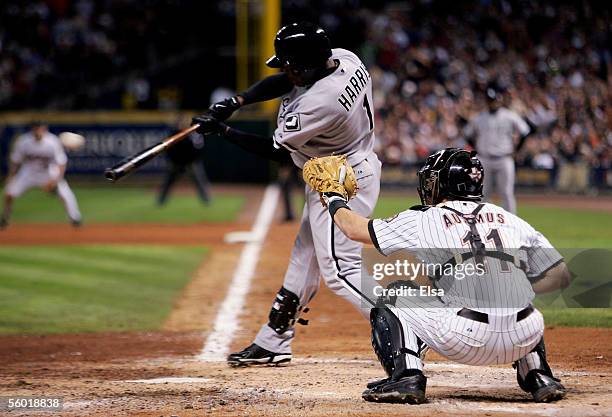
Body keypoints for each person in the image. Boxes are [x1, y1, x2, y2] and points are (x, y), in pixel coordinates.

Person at [307, 148, 569, 403]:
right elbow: (560, 275)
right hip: (525, 336)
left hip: (465, 339)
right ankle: (538, 374)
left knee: (395, 295)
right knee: (518, 296)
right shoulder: (508, 218)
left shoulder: (424, 218)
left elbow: (354, 230)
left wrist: (333, 197)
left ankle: (407, 376)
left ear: (440, 184)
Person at [192, 22, 382, 366]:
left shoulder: (321, 103)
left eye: (292, 65)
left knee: (340, 270)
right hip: (343, 167)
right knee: (303, 257)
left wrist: (223, 130)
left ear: (308, 65)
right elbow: (287, 79)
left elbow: (278, 152)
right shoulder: (343, 58)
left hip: (343, 179)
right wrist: (239, 100)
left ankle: (406, 326)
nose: (287, 71)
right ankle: (273, 340)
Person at [1, 122, 82, 228]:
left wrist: (55, 181)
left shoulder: (52, 141)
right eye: (36, 128)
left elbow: (61, 163)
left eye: (40, 128)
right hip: (28, 173)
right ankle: (5, 218)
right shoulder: (24, 141)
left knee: (65, 194)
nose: (39, 131)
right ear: (33, 130)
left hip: (48, 173)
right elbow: (15, 161)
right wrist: (11, 176)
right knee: (9, 193)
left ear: (44, 129)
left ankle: (75, 218)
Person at [464, 89, 531, 213]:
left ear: (499, 100)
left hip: (504, 158)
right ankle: (482, 221)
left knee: (506, 193)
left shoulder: (509, 115)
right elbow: (467, 134)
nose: (492, 103)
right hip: (484, 158)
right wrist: (477, 148)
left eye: (494, 100)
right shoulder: (479, 117)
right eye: (489, 101)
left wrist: (517, 150)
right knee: (482, 193)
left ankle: (512, 223)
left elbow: (525, 131)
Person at [157, 115, 212, 205]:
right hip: (176, 162)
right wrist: (173, 160)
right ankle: (161, 201)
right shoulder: (173, 134)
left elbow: (197, 149)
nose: (181, 124)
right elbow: (168, 149)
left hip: (191, 162)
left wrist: (193, 159)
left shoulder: (192, 134)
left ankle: (206, 200)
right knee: (168, 182)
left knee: (200, 181)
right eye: (179, 123)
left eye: (183, 123)